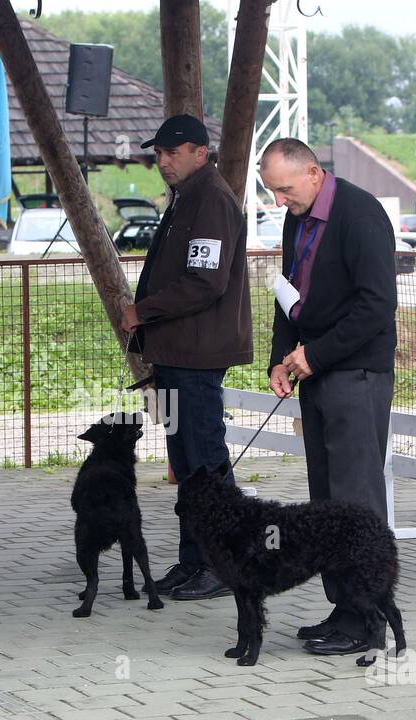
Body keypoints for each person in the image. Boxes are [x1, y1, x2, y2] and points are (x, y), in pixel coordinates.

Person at [258, 137, 398, 658]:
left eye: (286, 190)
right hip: (314, 371)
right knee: (327, 500)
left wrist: (314, 356)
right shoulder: (299, 216)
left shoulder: (361, 215)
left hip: (356, 372)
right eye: (274, 192)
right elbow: (287, 291)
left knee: (356, 503)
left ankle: (370, 618)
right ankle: (343, 607)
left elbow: (376, 307)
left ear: (314, 173)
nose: (280, 202)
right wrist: (281, 355)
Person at [120, 114, 252, 602]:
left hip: (198, 355)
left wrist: (143, 310)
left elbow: (206, 282)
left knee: (206, 463)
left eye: (172, 152)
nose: (163, 161)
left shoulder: (212, 201)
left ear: (201, 152)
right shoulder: (186, 200)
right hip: (175, 353)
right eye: (158, 154)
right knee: (186, 462)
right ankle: (194, 559)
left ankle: (225, 564)